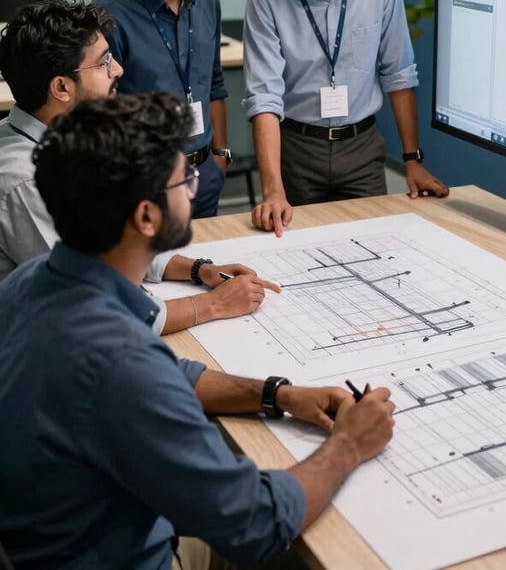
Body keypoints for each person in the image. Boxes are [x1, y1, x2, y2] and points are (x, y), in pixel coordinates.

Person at [0, 92, 395, 568]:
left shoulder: (34, 280)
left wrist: (279, 394)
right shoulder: (120, 364)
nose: (192, 189)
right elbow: (255, 523)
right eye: (182, 178)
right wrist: (348, 444)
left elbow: (168, 372)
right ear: (146, 216)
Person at [0, 0, 277, 335]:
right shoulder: (24, 181)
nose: (118, 70)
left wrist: (198, 270)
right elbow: (93, 304)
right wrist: (213, 305)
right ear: (61, 87)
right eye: (103, 63)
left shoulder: (67, 138)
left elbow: (112, 245)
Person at [243, 0, 449, 236]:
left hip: (362, 147)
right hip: (298, 149)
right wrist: (273, 191)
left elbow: (399, 73)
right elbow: (264, 98)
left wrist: (412, 160)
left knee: (374, 246)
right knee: (297, 253)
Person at [93, 0, 229, 217]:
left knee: (206, 266)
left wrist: (220, 154)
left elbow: (213, 81)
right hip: (146, 185)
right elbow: (100, 114)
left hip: (204, 173)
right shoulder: (109, 16)